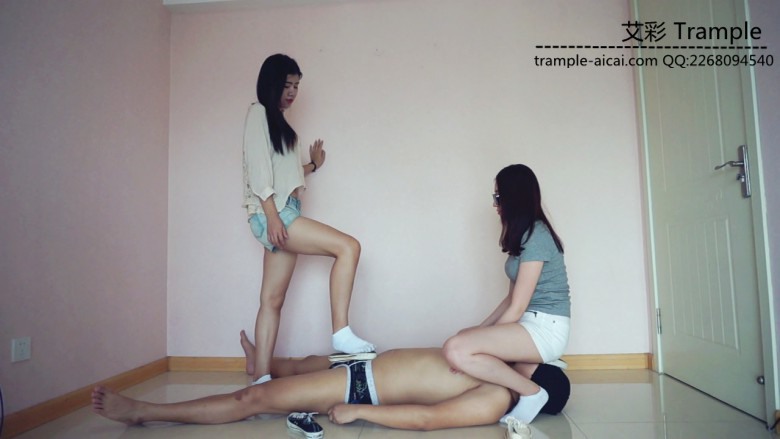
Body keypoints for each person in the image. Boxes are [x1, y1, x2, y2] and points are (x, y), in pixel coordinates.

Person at [91, 341, 570, 433]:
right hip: (364, 366)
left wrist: (360, 412)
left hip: (360, 388)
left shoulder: (496, 397)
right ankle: (265, 363)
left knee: (253, 400)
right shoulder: (497, 366)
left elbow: (429, 419)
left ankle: (141, 411)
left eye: (535, 363)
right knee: (296, 367)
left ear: (537, 383)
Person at [241, 53, 374, 385]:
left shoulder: (280, 124)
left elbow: (284, 172)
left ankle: (261, 376)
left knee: (272, 300)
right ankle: (341, 332)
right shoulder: (258, 113)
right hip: (274, 213)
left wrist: (313, 166)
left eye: (296, 86)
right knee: (348, 247)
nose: (292, 92)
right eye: (287, 84)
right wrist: (273, 217)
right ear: (271, 83)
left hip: (281, 212)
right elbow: (259, 170)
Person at [443, 164, 571, 425]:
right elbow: (510, 301)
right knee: (463, 340)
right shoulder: (524, 236)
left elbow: (517, 307)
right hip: (528, 323)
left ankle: (532, 392)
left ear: (514, 197)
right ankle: (532, 376)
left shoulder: (537, 236)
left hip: (546, 328)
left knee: (455, 348)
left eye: (498, 196)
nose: (495, 204)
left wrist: (476, 341)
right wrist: (477, 331)